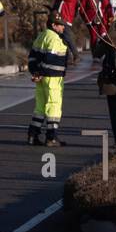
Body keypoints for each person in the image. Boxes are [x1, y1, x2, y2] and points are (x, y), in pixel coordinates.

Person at [27, 12, 70, 147]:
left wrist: (35, 72)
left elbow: (32, 57)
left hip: (40, 78)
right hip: (53, 78)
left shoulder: (41, 35)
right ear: (53, 25)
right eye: (60, 25)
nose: (63, 28)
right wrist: (42, 72)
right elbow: (51, 60)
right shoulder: (55, 39)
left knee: (40, 107)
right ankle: (51, 137)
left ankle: (33, 135)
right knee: (54, 106)